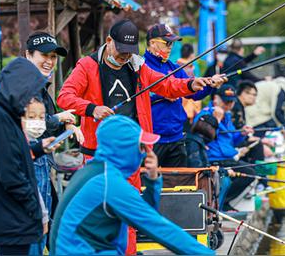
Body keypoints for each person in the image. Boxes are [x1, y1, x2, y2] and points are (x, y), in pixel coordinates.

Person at [57, 19, 215, 253]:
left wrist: (192, 84)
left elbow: (167, 86)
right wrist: (91, 108)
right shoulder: (87, 66)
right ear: (109, 41)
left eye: (129, 54)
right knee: (109, 214)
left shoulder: (137, 65)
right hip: (98, 153)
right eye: (121, 53)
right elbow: (64, 96)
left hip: (132, 150)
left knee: (128, 214)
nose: (124, 58)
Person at [50, 115, 214, 255]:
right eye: (141, 146)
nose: (145, 153)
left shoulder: (95, 172)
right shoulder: (109, 184)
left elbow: (143, 213)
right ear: (125, 148)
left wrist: (152, 179)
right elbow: (158, 227)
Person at [0, 58, 60, 255]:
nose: (30, 98)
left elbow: (12, 152)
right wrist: (36, 211)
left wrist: (39, 148)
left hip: (10, 216)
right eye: (29, 92)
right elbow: (10, 173)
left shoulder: (3, 111)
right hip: (10, 217)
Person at [24, 31, 84, 255]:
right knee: (38, 227)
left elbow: (46, 120)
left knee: (50, 224)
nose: (49, 62)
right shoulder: (27, 84)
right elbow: (33, 125)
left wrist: (65, 124)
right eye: (44, 55)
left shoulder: (40, 85)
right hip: (33, 162)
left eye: (53, 57)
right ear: (28, 55)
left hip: (41, 162)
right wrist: (61, 118)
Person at [144, 24, 226, 167]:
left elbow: (194, 94)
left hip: (176, 138)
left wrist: (210, 85)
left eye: (172, 43)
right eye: (166, 43)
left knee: (177, 186)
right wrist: (163, 95)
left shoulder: (174, 68)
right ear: (152, 43)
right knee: (148, 184)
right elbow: (135, 97)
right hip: (151, 140)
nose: (170, 47)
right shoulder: (140, 66)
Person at [199, 85, 257, 211]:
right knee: (249, 173)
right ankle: (221, 203)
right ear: (216, 99)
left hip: (228, 156)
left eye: (231, 102)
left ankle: (223, 202)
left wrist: (242, 133)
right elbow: (203, 137)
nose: (229, 105)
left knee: (251, 169)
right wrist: (216, 120)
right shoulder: (206, 114)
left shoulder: (227, 116)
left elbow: (231, 140)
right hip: (214, 158)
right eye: (226, 101)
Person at [177, 43, 202, 127]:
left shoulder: (175, 66)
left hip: (178, 109)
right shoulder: (192, 68)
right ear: (192, 54)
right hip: (189, 111)